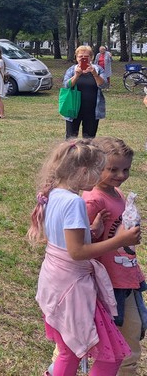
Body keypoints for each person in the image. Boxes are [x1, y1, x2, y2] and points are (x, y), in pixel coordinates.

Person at [30, 139, 139, 376]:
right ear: (82, 172)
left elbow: (64, 240)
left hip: (55, 280)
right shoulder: (74, 202)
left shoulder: (54, 193)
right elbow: (76, 252)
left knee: (68, 351)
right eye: (98, 170)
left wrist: (92, 231)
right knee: (111, 357)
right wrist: (121, 239)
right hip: (73, 287)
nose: (99, 176)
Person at [80, 137, 144, 376]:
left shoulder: (117, 193)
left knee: (131, 336)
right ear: (96, 166)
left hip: (127, 278)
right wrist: (95, 231)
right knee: (93, 337)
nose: (120, 175)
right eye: (113, 169)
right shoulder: (92, 200)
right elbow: (78, 244)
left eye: (126, 169)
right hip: (105, 284)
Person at [62, 45, 105, 138]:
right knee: (71, 138)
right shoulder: (72, 70)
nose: (83, 58)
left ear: (91, 57)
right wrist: (76, 75)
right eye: (80, 56)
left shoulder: (98, 69)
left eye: (86, 56)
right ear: (76, 57)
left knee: (89, 138)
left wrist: (95, 74)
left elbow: (103, 85)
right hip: (74, 108)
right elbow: (66, 85)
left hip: (92, 109)